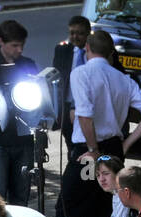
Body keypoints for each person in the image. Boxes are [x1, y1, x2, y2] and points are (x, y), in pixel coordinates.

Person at [56, 30, 141, 217]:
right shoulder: (123, 79)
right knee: (105, 207)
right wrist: (127, 143)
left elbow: (85, 116)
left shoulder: (81, 73)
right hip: (114, 149)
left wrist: (93, 149)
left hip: (89, 151)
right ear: (111, 53)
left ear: (87, 48)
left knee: (69, 208)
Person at [0, 20, 41, 207]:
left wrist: (5, 99)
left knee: (21, 196)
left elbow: (38, 98)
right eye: (14, 45)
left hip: (23, 139)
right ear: (0, 41)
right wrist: (20, 101)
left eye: (22, 45)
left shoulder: (28, 64)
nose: (19, 50)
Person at [52, 16, 92, 152]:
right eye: (72, 33)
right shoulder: (62, 50)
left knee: (87, 145)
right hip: (68, 106)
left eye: (80, 33)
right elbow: (55, 77)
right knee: (71, 145)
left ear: (88, 33)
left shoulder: (96, 52)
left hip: (89, 105)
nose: (75, 37)